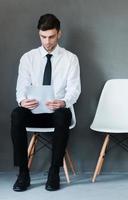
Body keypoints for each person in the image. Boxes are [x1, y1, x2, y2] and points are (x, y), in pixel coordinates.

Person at [11, 13, 81, 192]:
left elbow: (75, 89)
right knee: (17, 114)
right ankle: (23, 173)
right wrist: (22, 101)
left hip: (57, 113)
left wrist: (63, 102)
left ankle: (54, 172)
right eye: (43, 37)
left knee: (63, 114)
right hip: (34, 112)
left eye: (51, 36)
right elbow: (21, 88)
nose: (47, 41)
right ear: (38, 34)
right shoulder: (28, 58)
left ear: (59, 34)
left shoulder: (70, 59)